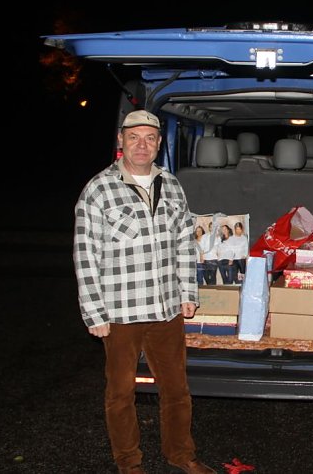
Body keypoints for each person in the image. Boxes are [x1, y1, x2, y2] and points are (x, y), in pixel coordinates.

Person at [73, 109, 217, 474]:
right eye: (133, 137)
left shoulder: (171, 184)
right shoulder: (98, 189)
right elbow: (85, 253)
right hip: (119, 313)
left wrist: (189, 293)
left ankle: (181, 456)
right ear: (120, 141)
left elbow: (185, 242)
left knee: (177, 391)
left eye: (150, 138)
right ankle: (129, 463)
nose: (142, 144)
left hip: (167, 308)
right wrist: (95, 313)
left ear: (158, 144)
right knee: (121, 395)